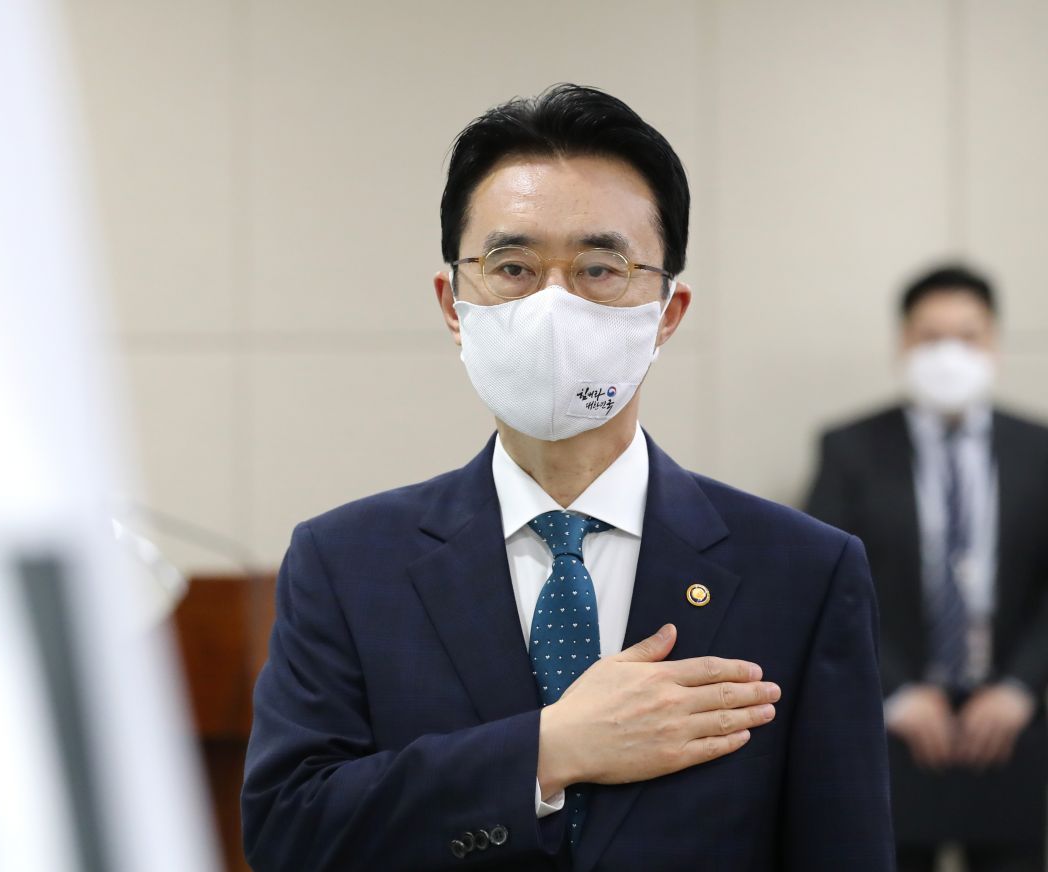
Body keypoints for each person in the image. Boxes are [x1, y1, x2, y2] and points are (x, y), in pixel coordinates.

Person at [243, 84, 893, 871]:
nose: (553, 305)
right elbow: (289, 833)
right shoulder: (346, 564)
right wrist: (547, 750)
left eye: (599, 268)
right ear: (453, 304)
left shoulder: (802, 571)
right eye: (512, 266)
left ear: (668, 311)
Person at [807, 265, 1048, 872]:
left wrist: (1021, 687)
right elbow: (828, 581)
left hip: (1012, 727)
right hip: (893, 725)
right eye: (930, 337)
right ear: (903, 343)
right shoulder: (850, 448)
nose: (949, 354)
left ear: (994, 343)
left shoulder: (1039, 448)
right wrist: (896, 690)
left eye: (967, 336)